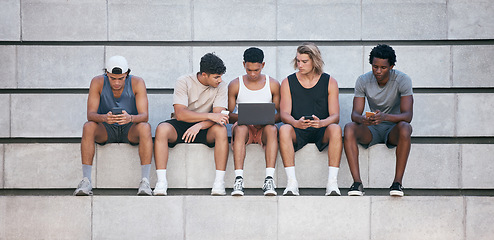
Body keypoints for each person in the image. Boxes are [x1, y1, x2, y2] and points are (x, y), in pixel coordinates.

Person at [74, 55, 153, 196]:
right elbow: (90, 114)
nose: (116, 82)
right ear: (107, 74)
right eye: (112, 78)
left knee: (145, 127)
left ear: (127, 74)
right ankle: (86, 181)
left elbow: (144, 116)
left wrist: (130, 118)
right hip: (106, 128)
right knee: (88, 126)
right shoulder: (97, 82)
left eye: (121, 78)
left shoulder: (137, 82)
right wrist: (104, 118)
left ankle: (145, 181)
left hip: (129, 128)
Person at [153, 53, 229, 196]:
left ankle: (219, 183)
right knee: (162, 129)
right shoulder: (184, 81)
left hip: (206, 126)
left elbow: (219, 117)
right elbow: (180, 114)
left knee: (221, 130)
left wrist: (200, 125)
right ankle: (161, 182)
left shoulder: (222, 86)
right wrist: (208, 115)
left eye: (220, 76)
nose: (220, 80)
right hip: (182, 124)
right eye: (216, 77)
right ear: (204, 75)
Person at [344, 44, 413, 197]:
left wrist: (385, 117)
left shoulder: (403, 80)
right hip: (372, 128)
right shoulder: (363, 80)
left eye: (383, 67)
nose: (378, 71)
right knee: (349, 127)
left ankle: (397, 183)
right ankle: (357, 183)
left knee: (406, 127)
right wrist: (363, 119)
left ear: (391, 66)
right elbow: (354, 115)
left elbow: (407, 115)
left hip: (393, 128)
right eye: (375, 67)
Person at [279, 42, 343, 196]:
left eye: (304, 61)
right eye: (298, 61)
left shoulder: (330, 81)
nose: (299, 65)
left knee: (335, 128)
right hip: (297, 129)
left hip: (321, 129)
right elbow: (284, 114)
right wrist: (295, 123)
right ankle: (292, 183)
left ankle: (332, 184)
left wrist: (322, 123)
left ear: (315, 61)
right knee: (284, 128)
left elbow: (335, 116)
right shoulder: (288, 82)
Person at [227, 47, 281, 196]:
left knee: (272, 129)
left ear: (262, 65)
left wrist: (264, 119)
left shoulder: (273, 84)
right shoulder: (235, 84)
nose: (252, 74)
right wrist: (246, 118)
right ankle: (238, 180)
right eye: (249, 69)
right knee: (241, 128)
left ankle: (269, 180)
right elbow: (228, 115)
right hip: (244, 129)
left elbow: (281, 114)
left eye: (256, 70)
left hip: (264, 129)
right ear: (244, 64)